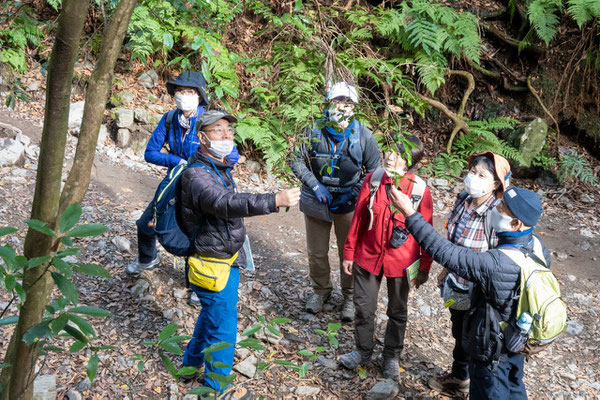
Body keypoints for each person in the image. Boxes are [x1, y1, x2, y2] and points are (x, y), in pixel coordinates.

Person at [179, 110, 300, 398]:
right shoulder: (196, 175)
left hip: (224, 257)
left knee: (211, 316)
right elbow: (223, 203)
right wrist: (273, 200)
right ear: (202, 137)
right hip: (211, 263)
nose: (227, 135)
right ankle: (214, 388)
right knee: (224, 327)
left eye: (229, 130)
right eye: (218, 130)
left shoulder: (216, 166)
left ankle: (189, 365)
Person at [389, 183, 549, 399]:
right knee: (514, 386)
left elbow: (445, 252)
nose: (496, 208)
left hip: (491, 351)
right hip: (516, 340)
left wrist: (409, 212)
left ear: (515, 223)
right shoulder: (538, 247)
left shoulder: (497, 263)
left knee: (489, 392)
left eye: (502, 208)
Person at [125, 71, 239, 284]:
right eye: (180, 91)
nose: (183, 95)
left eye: (189, 91)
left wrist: (201, 165)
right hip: (175, 181)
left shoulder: (210, 121)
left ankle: (196, 282)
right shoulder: (169, 119)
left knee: (197, 231)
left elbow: (232, 155)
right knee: (146, 222)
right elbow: (150, 153)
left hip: (204, 184)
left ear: (199, 96)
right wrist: (177, 161)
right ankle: (148, 258)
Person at [338, 135, 433, 379]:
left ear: (410, 161)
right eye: (389, 150)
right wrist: (349, 252)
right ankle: (363, 350)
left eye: (398, 154)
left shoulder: (420, 191)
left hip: (401, 261)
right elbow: (358, 219)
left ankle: (391, 355)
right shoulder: (372, 180)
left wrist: (424, 268)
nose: (390, 157)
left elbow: (427, 232)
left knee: (398, 311)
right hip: (368, 256)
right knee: (363, 306)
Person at [290, 81, 380, 321]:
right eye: (337, 101)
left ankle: (349, 296)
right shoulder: (312, 130)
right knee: (316, 252)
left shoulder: (364, 135)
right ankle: (321, 291)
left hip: (349, 201)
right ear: (327, 103)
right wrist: (314, 184)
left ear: (355, 107)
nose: (342, 106)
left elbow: (374, 171)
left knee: (348, 252)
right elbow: (296, 159)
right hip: (317, 199)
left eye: (347, 102)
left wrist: (354, 193)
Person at [429, 152, 511, 395]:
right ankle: (460, 374)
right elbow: (453, 242)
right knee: (458, 329)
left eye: (482, 175)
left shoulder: (498, 212)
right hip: (456, 284)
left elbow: (499, 255)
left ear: (496, 183)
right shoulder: (463, 199)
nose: (474, 178)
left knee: (474, 336)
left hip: (480, 290)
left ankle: (466, 379)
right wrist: (446, 269)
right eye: (473, 172)